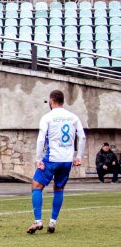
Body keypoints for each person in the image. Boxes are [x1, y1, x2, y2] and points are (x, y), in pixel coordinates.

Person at [28, 90, 86, 234]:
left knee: (36, 185)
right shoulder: (73, 117)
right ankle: (52, 222)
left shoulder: (47, 117)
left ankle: (38, 221)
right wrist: (78, 156)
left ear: (51, 101)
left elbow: (41, 139)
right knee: (59, 188)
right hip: (67, 160)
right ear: (63, 101)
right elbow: (82, 137)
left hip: (52, 158)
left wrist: (38, 159)